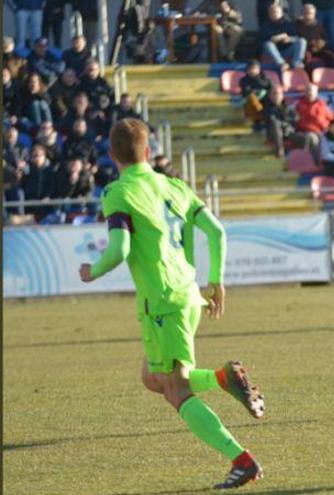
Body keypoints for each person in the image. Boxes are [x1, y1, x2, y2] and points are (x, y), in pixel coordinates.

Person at [77, 118, 265, 489]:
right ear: (148, 152)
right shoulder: (174, 185)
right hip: (188, 291)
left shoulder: (118, 192)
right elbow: (216, 230)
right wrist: (216, 281)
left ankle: (242, 461)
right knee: (152, 377)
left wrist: (93, 270)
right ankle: (224, 378)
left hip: (162, 301)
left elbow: (120, 250)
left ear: (113, 156)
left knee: (176, 389)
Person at [293, 83, 334, 161]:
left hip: (324, 130)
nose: (310, 93)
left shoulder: (322, 104)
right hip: (308, 132)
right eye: (308, 91)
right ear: (305, 92)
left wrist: (331, 128)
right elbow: (302, 123)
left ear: (316, 92)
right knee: (314, 139)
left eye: (312, 91)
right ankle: (318, 162)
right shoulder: (300, 105)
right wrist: (318, 131)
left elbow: (330, 117)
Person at [259, 3, 307, 72]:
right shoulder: (264, 26)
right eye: (272, 12)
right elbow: (259, 43)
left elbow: (297, 38)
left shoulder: (289, 24)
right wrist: (272, 40)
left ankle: (296, 63)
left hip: (287, 50)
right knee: (268, 44)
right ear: (269, 14)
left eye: (276, 12)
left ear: (281, 13)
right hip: (272, 52)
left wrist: (290, 39)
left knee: (302, 41)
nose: (274, 14)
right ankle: (282, 64)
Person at [295, 3, 334, 69]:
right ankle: (307, 77)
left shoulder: (318, 26)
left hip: (318, 49)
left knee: (331, 56)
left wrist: (322, 43)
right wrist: (311, 44)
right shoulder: (297, 26)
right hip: (305, 50)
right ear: (303, 13)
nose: (309, 15)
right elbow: (296, 41)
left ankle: (330, 76)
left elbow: (325, 39)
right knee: (307, 57)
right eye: (307, 13)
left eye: (311, 13)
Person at [264, 86, 298, 158]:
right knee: (275, 123)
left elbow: (295, 119)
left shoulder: (288, 107)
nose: (277, 96)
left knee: (309, 138)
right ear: (270, 96)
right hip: (273, 134)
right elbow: (270, 120)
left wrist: (285, 124)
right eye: (275, 93)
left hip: (288, 132)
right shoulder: (267, 109)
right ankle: (279, 150)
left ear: (282, 95)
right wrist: (284, 123)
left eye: (279, 93)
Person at [239, 60, 272, 127]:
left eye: (255, 68)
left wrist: (257, 79)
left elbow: (269, 86)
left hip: (263, 100)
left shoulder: (264, 77)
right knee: (252, 98)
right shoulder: (244, 80)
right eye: (251, 69)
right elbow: (246, 92)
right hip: (250, 102)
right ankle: (260, 115)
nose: (252, 71)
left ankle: (265, 117)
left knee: (270, 97)